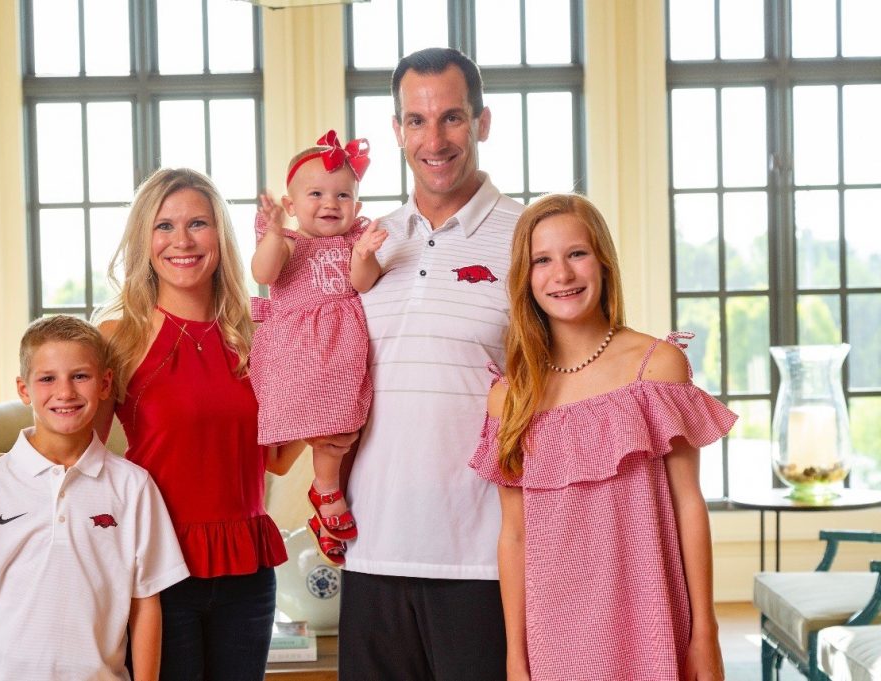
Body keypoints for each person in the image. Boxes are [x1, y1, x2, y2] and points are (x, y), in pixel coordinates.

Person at [0, 168, 305, 681]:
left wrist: (324, 424)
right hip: (154, 564)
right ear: (144, 239)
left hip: (246, 568)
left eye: (198, 223)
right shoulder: (119, 336)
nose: (182, 241)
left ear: (220, 234)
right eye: (164, 226)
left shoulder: (258, 330)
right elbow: (73, 445)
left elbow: (276, 461)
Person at [470, 193, 736, 680]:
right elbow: (514, 536)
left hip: (651, 616)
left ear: (603, 262)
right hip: (556, 635)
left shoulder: (656, 367)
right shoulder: (510, 397)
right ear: (525, 278)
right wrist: (515, 657)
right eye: (542, 260)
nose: (562, 274)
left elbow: (689, 506)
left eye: (577, 253)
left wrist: (705, 632)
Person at [327, 47, 523, 680]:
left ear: (482, 122)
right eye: (417, 120)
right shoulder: (367, 243)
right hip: (372, 550)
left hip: (482, 557)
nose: (434, 140)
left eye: (452, 118)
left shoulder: (530, 238)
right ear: (397, 130)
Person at [0, 315, 189, 681]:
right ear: (24, 389)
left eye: (80, 376)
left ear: (105, 384)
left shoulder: (133, 487)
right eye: (47, 379)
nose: (65, 392)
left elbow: (146, 602)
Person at [250, 130, 387, 566]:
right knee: (330, 429)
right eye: (316, 194)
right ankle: (326, 493)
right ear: (290, 206)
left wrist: (363, 254)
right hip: (298, 353)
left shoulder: (352, 242)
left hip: (341, 353)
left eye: (342, 195)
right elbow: (264, 272)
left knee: (344, 429)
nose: (330, 203)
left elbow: (363, 282)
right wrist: (273, 234)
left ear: (357, 207)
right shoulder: (290, 242)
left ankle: (327, 505)